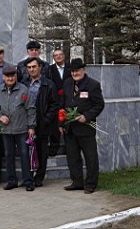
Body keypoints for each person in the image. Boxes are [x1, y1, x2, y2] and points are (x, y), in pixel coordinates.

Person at [60, 58, 105, 194]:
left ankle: (90, 184)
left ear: (83, 70)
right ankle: (77, 182)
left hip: (85, 128)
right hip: (70, 128)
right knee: (73, 157)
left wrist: (86, 116)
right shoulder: (67, 83)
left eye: (77, 70)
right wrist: (61, 123)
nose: (75, 73)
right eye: (73, 71)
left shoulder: (93, 85)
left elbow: (99, 105)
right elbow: (63, 104)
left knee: (90, 157)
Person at [0, 65, 37, 191]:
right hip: (6, 130)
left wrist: (31, 126)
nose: (10, 78)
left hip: (22, 129)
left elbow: (31, 109)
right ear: (3, 77)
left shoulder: (23, 89)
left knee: (24, 154)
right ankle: (12, 181)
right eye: (7, 76)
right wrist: (0, 117)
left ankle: (28, 181)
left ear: (15, 76)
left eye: (12, 76)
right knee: (9, 155)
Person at [24, 57, 57, 187]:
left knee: (42, 152)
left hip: (43, 123)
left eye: (34, 67)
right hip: (26, 123)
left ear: (40, 68)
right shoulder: (24, 83)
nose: (32, 69)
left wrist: (46, 119)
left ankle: (39, 177)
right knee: (28, 151)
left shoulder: (49, 84)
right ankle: (29, 177)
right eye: (29, 67)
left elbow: (54, 105)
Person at [46, 49, 71, 156]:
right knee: (55, 125)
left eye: (60, 54)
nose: (59, 57)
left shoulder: (70, 68)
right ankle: (54, 147)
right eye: (56, 55)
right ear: (53, 58)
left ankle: (69, 147)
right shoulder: (50, 69)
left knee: (68, 122)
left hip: (68, 99)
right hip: (55, 100)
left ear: (64, 56)